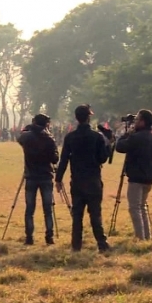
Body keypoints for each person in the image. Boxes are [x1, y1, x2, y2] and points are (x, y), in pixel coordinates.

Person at [55, 105, 112, 253]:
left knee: (77, 215)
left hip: (77, 181)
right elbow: (102, 158)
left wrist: (58, 179)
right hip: (93, 180)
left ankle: (76, 245)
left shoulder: (70, 137)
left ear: (76, 118)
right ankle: (102, 244)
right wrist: (108, 147)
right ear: (88, 117)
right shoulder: (97, 137)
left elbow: (64, 160)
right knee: (95, 214)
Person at [115, 109, 152, 240]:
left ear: (142, 122)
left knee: (134, 208)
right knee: (142, 207)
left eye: (137, 120)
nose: (134, 122)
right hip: (149, 177)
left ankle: (140, 237)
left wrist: (127, 133)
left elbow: (119, 147)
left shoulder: (136, 137)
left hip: (136, 178)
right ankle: (146, 236)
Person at [17, 114, 60, 245]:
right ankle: (49, 236)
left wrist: (31, 126)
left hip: (30, 176)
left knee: (29, 209)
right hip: (46, 176)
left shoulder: (26, 137)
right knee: (48, 209)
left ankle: (29, 237)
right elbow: (55, 159)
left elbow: (20, 137)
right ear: (46, 124)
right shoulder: (49, 138)